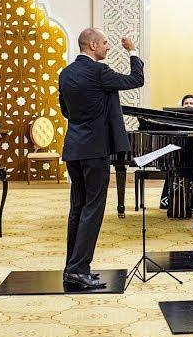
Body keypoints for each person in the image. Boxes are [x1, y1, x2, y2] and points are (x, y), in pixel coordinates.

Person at [58, 28, 144, 289]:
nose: (108, 47)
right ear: (93, 45)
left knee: (78, 208)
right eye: (105, 43)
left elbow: (65, 110)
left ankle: (72, 268)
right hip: (95, 151)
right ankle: (78, 269)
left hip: (73, 148)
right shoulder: (98, 72)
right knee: (92, 210)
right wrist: (132, 50)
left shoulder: (65, 73)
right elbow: (135, 79)